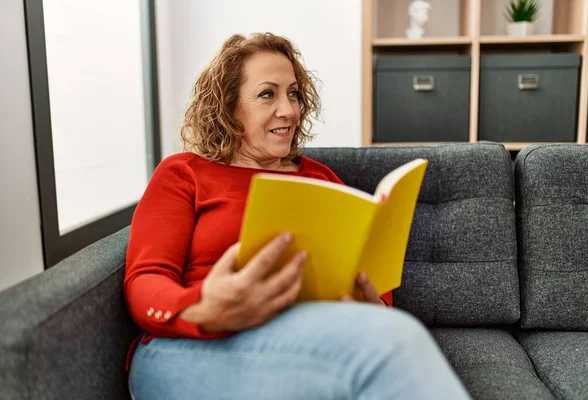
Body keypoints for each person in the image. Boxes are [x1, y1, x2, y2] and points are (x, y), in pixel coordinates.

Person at [124, 32, 470, 399]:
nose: (288, 110)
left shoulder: (319, 179)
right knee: (396, 342)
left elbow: (371, 285)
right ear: (228, 107)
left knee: (391, 335)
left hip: (302, 341)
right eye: (267, 94)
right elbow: (145, 280)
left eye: (293, 93)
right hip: (189, 346)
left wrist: (374, 305)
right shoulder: (185, 173)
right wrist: (205, 308)